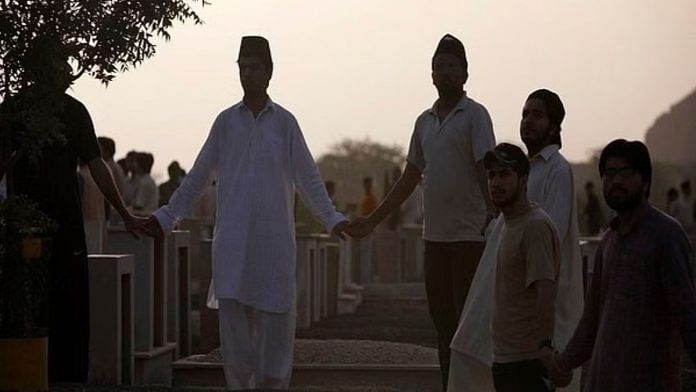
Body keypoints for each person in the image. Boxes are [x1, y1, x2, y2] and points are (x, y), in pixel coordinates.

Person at [142, 36, 348, 390]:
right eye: (242, 67)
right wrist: (165, 216)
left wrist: (333, 219)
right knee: (235, 334)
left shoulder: (285, 124)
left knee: (276, 329)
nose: (247, 74)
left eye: (254, 67)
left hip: (274, 244)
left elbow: (308, 178)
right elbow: (198, 178)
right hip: (233, 243)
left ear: (270, 73)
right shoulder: (226, 123)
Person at [347, 33, 496, 390]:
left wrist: (495, 215)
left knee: (469, 326)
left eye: (451, 66)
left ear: (465, 73)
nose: (444, 73)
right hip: (436, 240)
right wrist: (373, 220)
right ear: (431, 74)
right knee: (443, 326)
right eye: (438, 67)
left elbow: (485, 170)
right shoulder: (424, 122)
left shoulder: (475, 116)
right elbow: (409, 177)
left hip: (469, 239)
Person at [0, 36, 142, 382]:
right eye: (60, 63)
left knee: (67, 301)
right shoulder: (17, 110)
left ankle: (65, 375)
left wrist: (123, 213)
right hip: (26, 222)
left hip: (63, 223)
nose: (67, 71)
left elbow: (97, 167)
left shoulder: (71, 111)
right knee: (28, 300)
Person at [449, 89, 583, 392]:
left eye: (537, 115)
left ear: (554, 125)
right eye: (524, 114)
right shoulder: (523, 170)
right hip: (506, 304)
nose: (528, 121)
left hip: (536, 305)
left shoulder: (556, 169)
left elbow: (551, 239)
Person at [542, 139, 696, 391]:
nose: (616, 181)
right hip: (603, 381)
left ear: (645, 182)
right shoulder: (609, 243)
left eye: (625, 173)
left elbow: (688, 315)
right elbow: (591, 323)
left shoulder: (666, 235)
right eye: (609, 173)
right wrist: (562, 364)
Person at [483, 143, 560, 391]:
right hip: (505, 358)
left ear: (524, 180)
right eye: (492, 175)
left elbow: (545, 290)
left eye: (505, 174)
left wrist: (545, 348)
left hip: (526, 362)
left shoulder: (534, 227)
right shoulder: (506, 223)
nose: (496, 182)